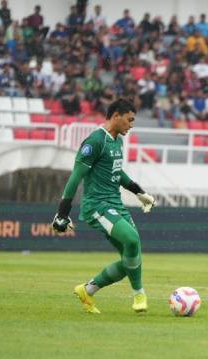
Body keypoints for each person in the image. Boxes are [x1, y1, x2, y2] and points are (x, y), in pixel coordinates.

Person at [51, 99, 156, 314]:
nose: (131, 125)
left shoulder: (117, 140)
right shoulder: (95, 141)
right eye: (129, 119)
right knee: (132, 239)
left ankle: (87, 290)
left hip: (115, 203)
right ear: (116, 115)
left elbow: (116, 173)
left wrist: (139, 192)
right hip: (97, 206)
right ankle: (139, 295)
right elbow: (75, 177)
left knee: (131, 258)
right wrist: (62, 214)